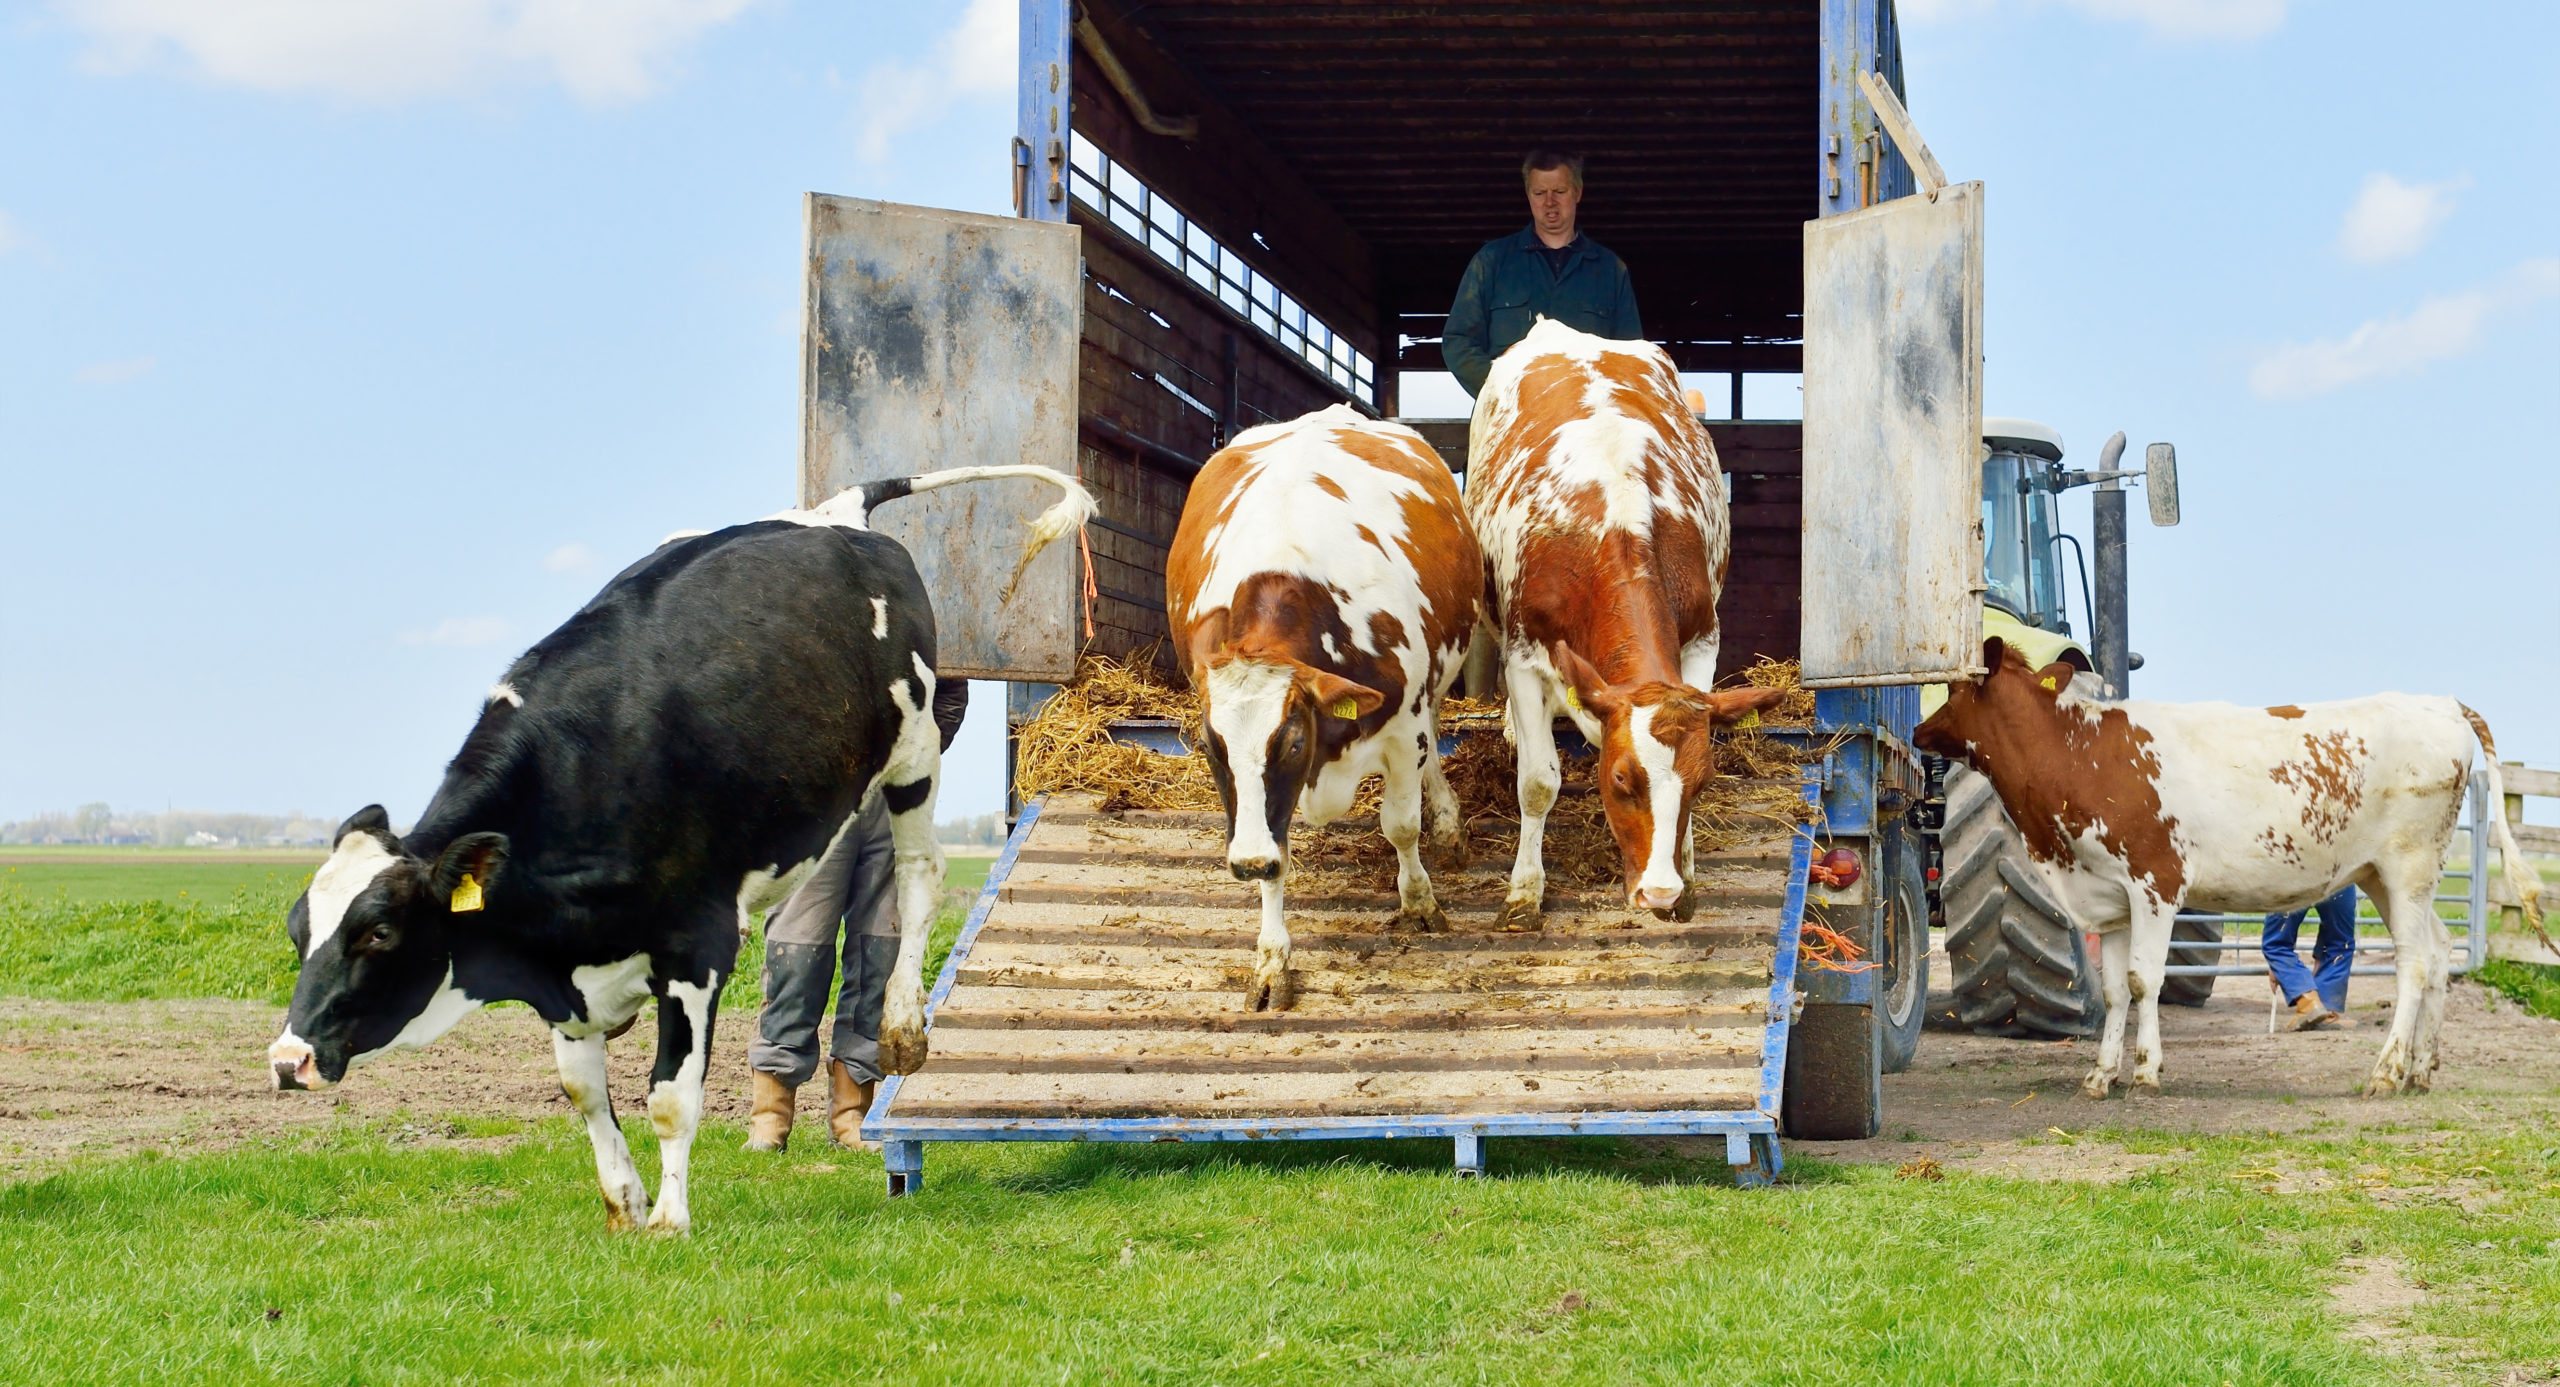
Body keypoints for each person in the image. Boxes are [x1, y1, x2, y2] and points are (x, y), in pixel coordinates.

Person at [745, 678, 968, 1152]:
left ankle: (852, 1117)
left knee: (878, 957)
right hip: (817, 797)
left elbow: (951, 690)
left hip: (893, 803)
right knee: (796, 954)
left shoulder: (927, 609)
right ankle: (770, 1119)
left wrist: (915, 753)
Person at [1440, 149, 1644, 397]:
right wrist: (1505, 390)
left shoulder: (1611, 270)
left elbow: (1631, 356)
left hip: (1586, 417)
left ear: (1578, 193)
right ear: (1528, 195)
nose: (1549, 202)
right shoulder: (1491, 261)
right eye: (1539, 193)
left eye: (1559, 192)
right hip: (1509, 416)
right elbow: (1458, 341)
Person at [2263, 885, 2357, 1030]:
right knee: (2340, 943)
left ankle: (2309, 1003)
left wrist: (2279, 964)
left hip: (2294, 871)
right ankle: (2325, 1009)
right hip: (2340, 872)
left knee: (2276, 944)